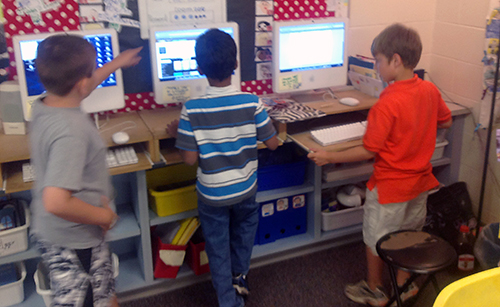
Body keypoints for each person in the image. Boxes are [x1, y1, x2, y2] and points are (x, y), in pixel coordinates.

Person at [308, 23, 453, 306]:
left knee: (376, 238)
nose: (376, 68)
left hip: (389, 189)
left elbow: (367, 149)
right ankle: (404, 285)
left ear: (395, 61)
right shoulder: (429, 90)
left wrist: (328, 156)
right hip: (419, 184)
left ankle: (375, 289)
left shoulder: (387, 103)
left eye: (378, 61)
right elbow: (446, 120)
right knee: (408, 236)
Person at [167, 29, 279, 307]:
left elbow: (190, 159)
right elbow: (274, 143)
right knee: (243, 234)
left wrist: (178, 136)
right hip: (245, 189)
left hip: (213, 196)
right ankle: (239, 277)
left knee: (217, 249)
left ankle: (229, 302)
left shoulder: (191, 109)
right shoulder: (252, 101)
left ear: (198, 67)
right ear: (236, 64)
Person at [29, 34, 141, 307]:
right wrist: (105, 216)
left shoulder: (45, 105)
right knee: (87, 299)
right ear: (81, 83)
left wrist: (116, 63)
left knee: (103, 292)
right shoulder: (72, 132)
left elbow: (82, 86)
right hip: (76, 237)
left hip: (61, 231)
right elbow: (56, 201)